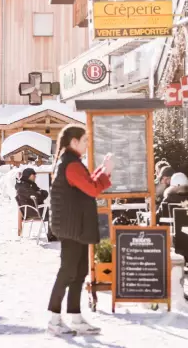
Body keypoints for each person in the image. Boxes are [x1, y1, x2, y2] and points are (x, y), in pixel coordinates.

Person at [48, 125, 111, 336]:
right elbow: (92, 189)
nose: (87, 144)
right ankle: (54, 319)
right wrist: (105, 172)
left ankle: (75, 317)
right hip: (72, 227)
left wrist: (102, 170)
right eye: (84, 140)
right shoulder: (71, 164)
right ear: (74, 142)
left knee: (79, 271)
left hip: (75, 226)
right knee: (68, 272)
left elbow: (88, 183)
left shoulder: (71, 162)